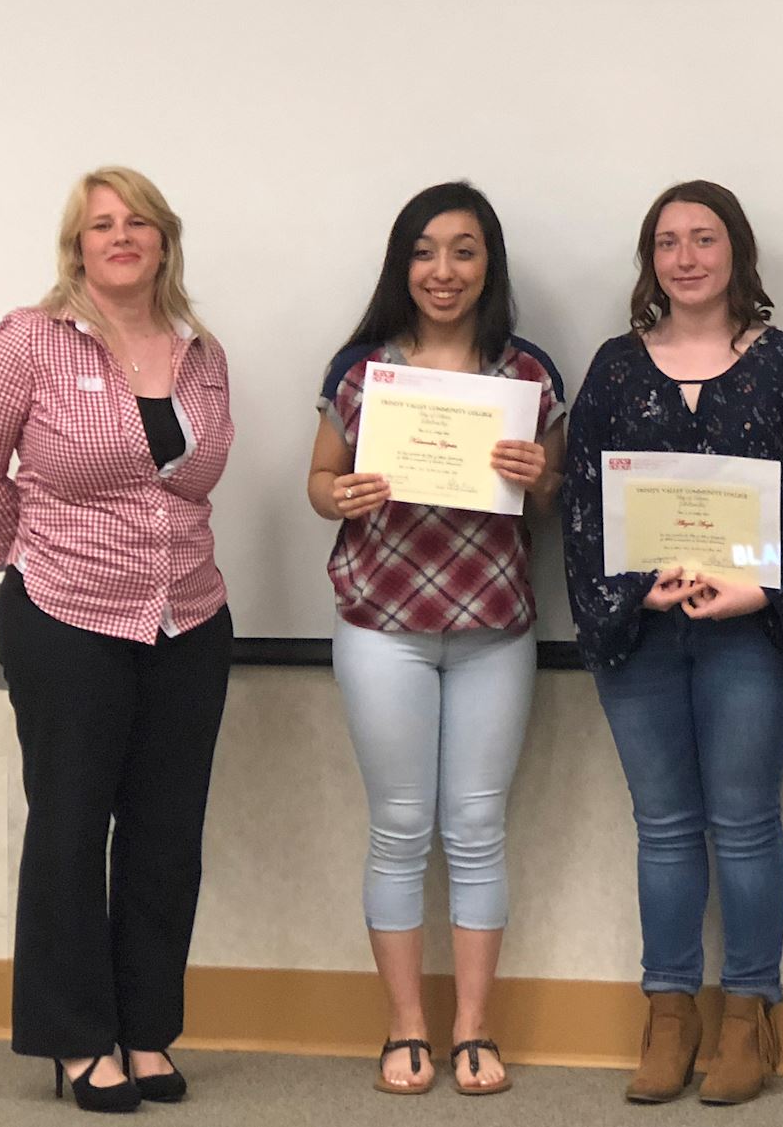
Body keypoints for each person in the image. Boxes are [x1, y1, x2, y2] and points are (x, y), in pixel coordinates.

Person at [0, 167, 235, 1113]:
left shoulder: (201, 353)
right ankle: (78, 1039)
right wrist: (35, 548)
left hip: (187, 613)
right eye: (100, 224)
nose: (121, 236)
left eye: (137, 221)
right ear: (77, 245)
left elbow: (193, 483)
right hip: (65, 614)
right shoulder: (31, 341)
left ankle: (146, 1030)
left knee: (166, 834)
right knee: (72, 826)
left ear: (163, 240)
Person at [561, 179, 783, 1105]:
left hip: (754, 637)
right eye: (669, 242)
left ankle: (749, 1015)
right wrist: (636, 588)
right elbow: (581, 511)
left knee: (744, 821)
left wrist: (758, 590)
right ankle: (669, 1012)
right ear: (650, 259)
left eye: (705, 238)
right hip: (640, 633)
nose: (687, 258)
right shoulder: (611, 367)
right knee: (662, 827)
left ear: (739, 253)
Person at [307, 181, 565, 1097]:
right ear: (401, 264)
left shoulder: (528, 372)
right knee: (400, 830)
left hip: (495, 627)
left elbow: (553, 501)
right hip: (382, 624)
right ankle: (405, 1028)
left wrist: (540, 476)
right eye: (423, 251)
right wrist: (341, 496)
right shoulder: (363, 367)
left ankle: (472, 1031)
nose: (442, 270)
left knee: (478, 829)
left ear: (488, 261)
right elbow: (320, 481)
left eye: (461, 250)